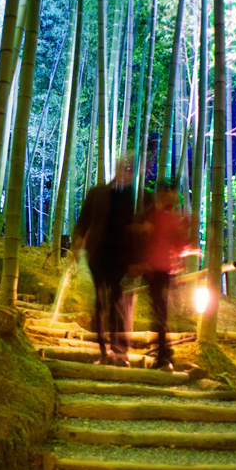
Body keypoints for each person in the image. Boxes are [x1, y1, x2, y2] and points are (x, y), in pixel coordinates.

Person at [72, 157, 135, 366]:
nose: (124, 173)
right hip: (98, 255)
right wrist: (78, 239)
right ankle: (103, 350)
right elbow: (83, 220)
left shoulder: (131, 197)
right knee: (100, 302)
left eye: (128, 171)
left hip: (120, 258)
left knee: (117, 302)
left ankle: (119, 351)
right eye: (122, 169)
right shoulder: (97, 192)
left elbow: (134, 227)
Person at [131, 183, 192, 370]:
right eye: (169, 196)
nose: (172, 200)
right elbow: (142, 239)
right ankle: (164, 355)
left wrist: (186, 232)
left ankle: (164, 355)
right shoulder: (154, 216)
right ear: (162, 196)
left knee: (160, 311)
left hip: (164, 270)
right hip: (155, 269)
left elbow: (179, 245)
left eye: (173, 197)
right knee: (159, 311)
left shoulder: (167, 218)